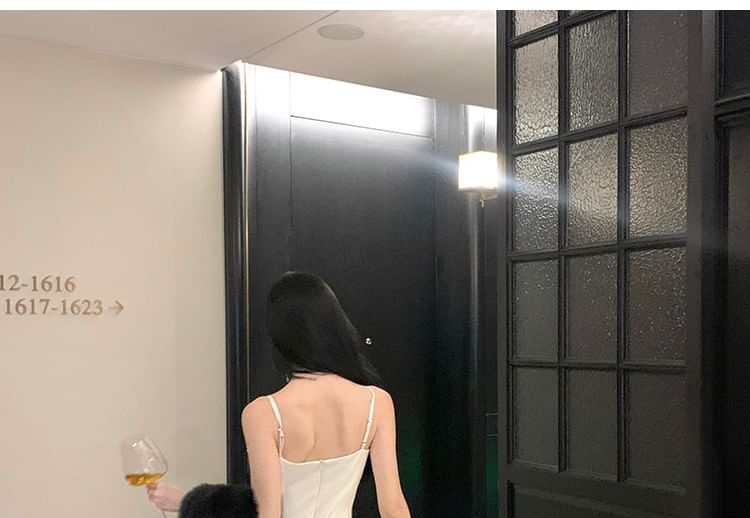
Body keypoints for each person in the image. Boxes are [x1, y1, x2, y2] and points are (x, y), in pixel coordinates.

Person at [242, 271, 411, 518]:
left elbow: (268, 513)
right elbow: (394, 508)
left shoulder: (262, 413)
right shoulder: (377, 402)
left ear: (279, 337)